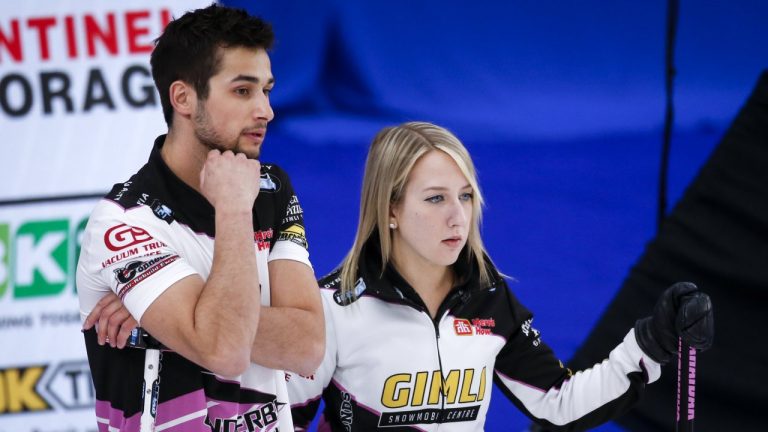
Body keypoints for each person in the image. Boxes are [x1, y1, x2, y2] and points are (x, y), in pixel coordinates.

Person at [286, 121, 713, 431]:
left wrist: (649, 345)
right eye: (435, 198)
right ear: (391, 210)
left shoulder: (486, 297)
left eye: (466, 196)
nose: (458, 216)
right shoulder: (332, 306)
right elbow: (283, 421)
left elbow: (558, 404)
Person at [76, 4, 324, 431]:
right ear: (183, 98)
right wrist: (232, 210)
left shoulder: (271, 187)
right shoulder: (122, 223)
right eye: (243, 91)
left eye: (267, 90)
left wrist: (176, 323)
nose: (266, 110)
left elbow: (308, 346)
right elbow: (224, 351)